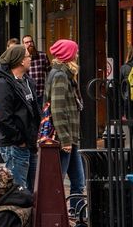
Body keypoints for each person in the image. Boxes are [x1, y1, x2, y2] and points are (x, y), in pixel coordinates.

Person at [0, 44, 39, 191]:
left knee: (33, 189)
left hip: (30, 143)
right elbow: (3, 118)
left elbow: (33, 111)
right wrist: (19, 140)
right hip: (15, 145)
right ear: (20, 61)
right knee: (18, 189)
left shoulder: (27, 82)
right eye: (28, 56)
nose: (31, 59)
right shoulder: (4, 85)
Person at [46, 38, 85, 206]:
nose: (77, 55)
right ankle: (53, 212)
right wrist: (65, 139)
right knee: (58, 180)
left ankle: (77, 212)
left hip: (70, 137)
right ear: (68, 54)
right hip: (64, 138)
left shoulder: (65, 75)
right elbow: (58, 108)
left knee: (78, 181)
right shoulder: (61, 76)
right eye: (75, 52)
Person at [22, 34, 50, 104]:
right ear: (23, 45)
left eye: (31, 41)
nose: (29, 44)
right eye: (26, 42)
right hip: (28, 95)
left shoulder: (42, 56)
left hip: (41, 94)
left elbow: (49, 73)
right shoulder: (21, 58)